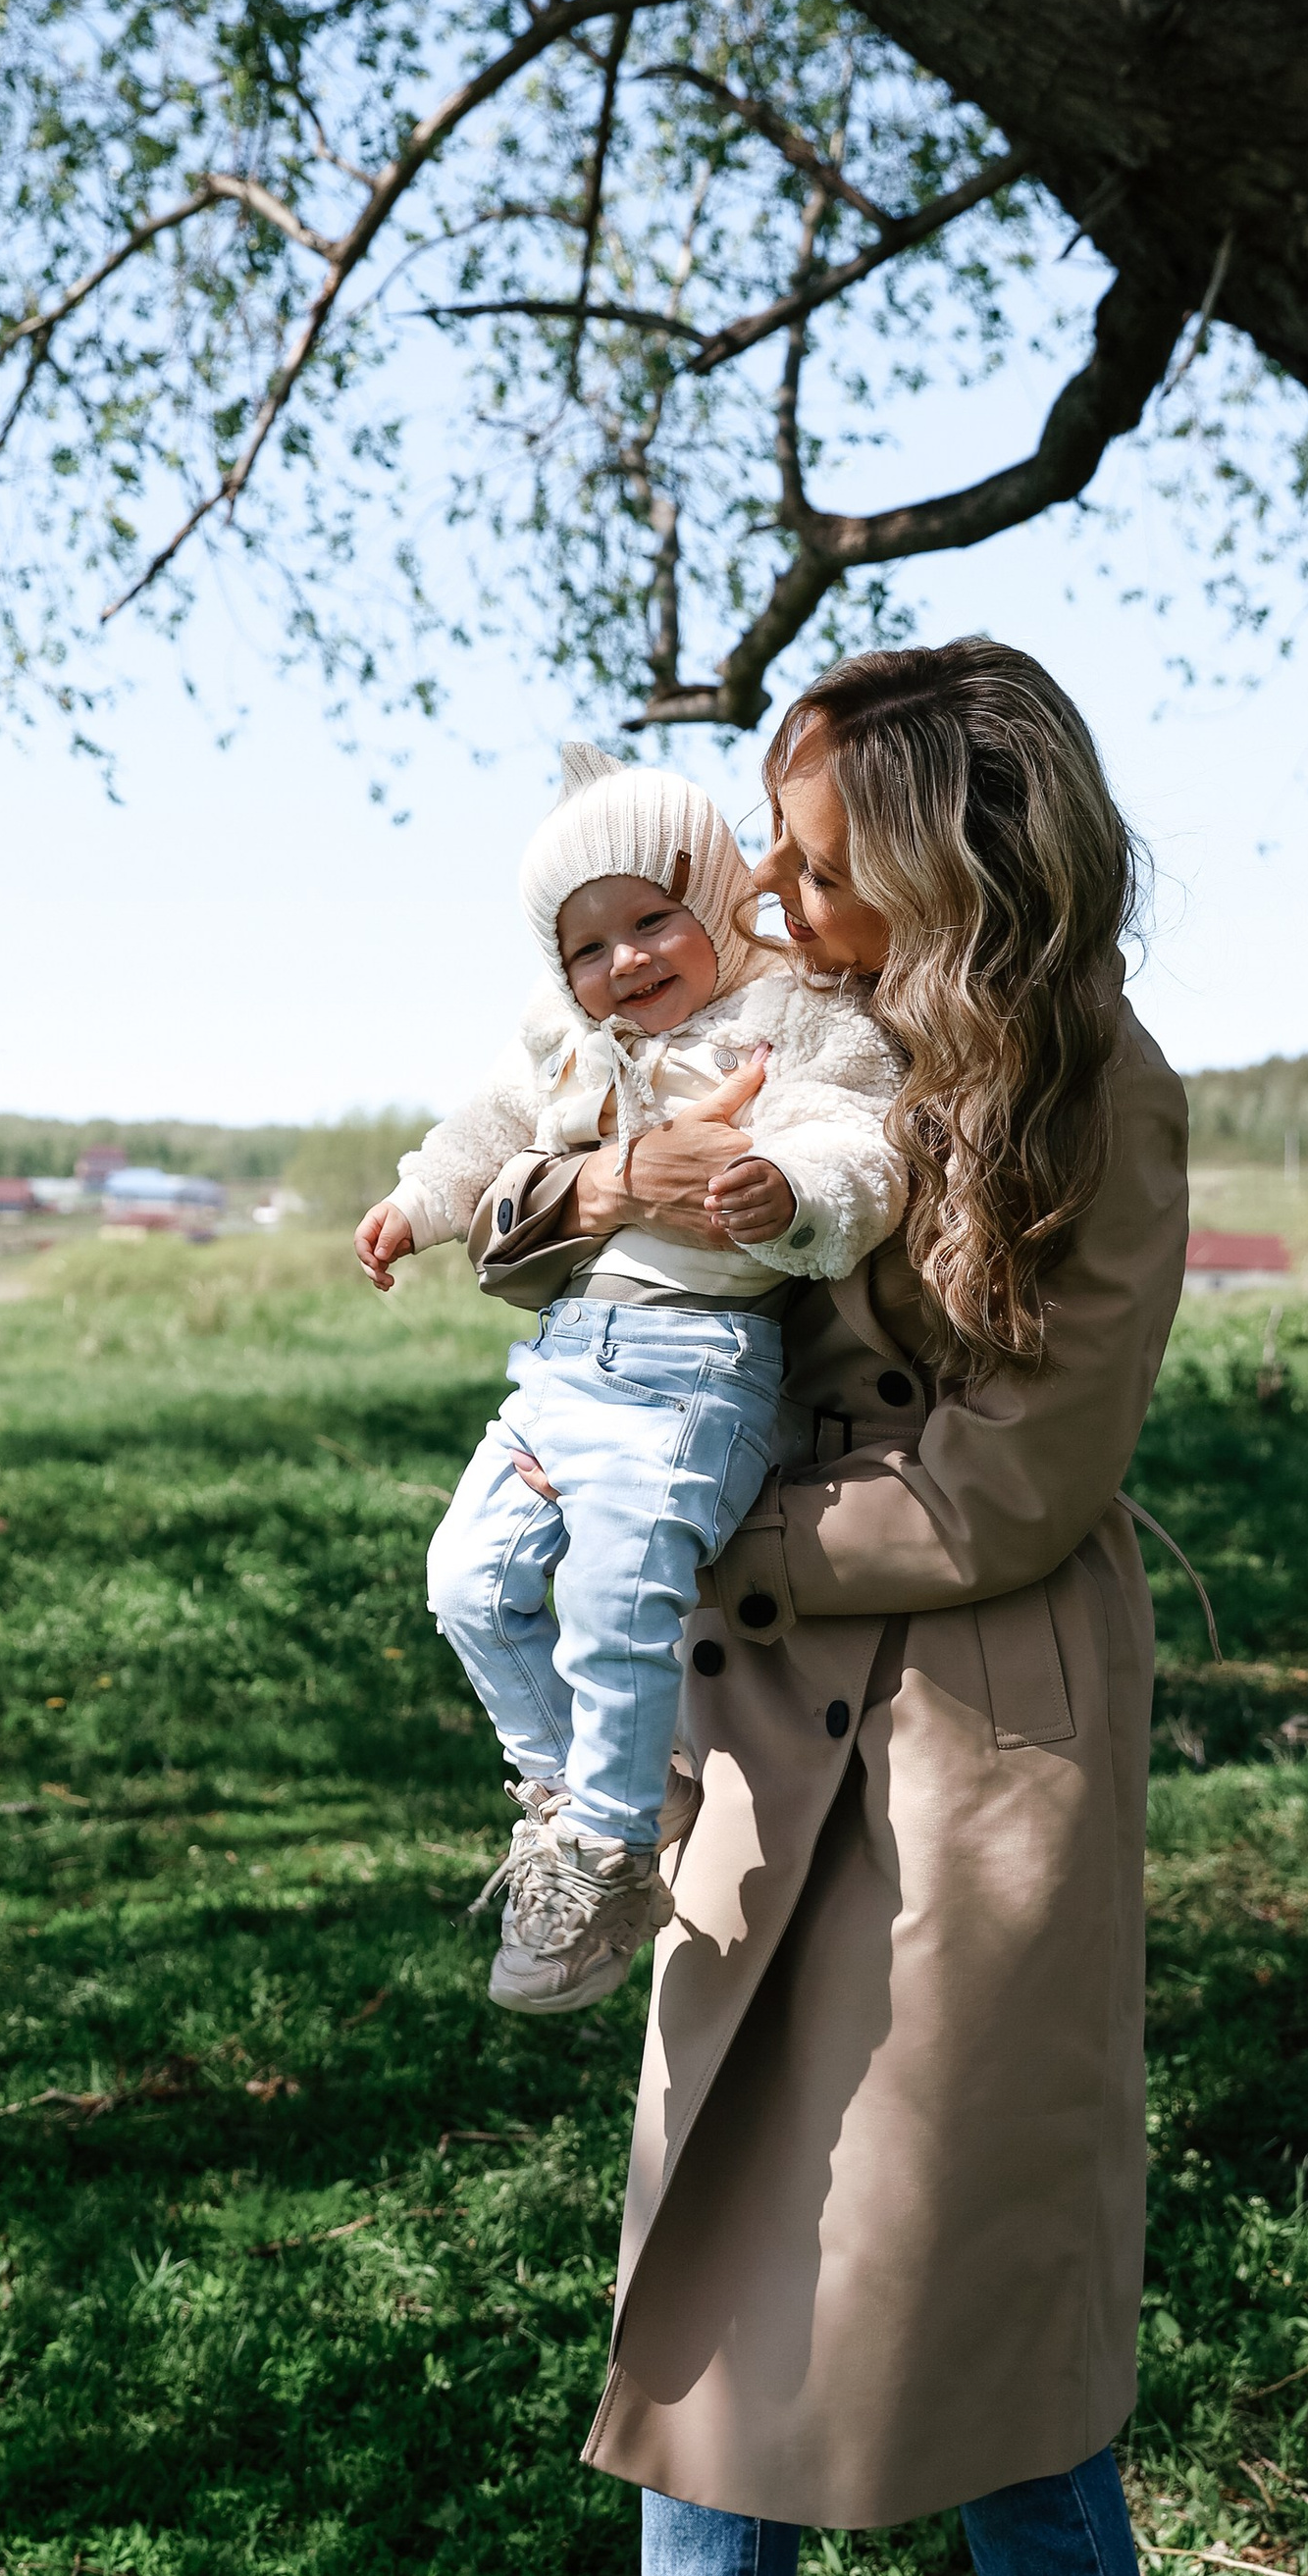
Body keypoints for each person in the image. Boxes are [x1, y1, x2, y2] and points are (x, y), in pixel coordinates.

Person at [459, 644, 1213, 2576]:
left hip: (976, 1742)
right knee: (713, 2276)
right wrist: (589, 1185)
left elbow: (1017, 1477)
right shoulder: (744, 1001)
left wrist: (700, 1532)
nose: (761, 887)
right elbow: (526, 1205)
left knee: (983, 2313)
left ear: (949, 852)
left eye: (808, 848)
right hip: (746, 1727)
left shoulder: (1096, 1089)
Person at [354, 742, 903, 2012]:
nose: (627, 964)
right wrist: (414, 1204)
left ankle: (608, 1860)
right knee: (469, 1581)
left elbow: (855, 1144)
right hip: (563, 1362)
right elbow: (480, 1135)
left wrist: (789, 1190)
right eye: (588, 947)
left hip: (692, 1367)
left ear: (713, 899)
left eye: (654, 921)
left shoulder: (787, 1021)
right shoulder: (563, 1041)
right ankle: (583, 1795)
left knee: (615, 1597)